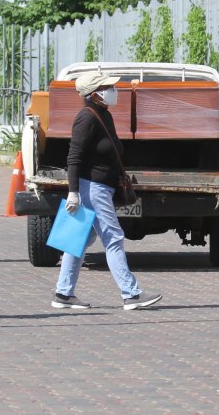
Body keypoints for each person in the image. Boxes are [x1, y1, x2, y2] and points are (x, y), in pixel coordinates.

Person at [53, 69, 162, 312]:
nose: (114, 91)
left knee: (80, 240)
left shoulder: (102, 114)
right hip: (92, 187)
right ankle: (131, 294)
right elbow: (74, 157)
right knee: (113, 237)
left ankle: (63, 293)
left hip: (99, 186)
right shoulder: (86, 117)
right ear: (95, 94)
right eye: (108, 88)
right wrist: (73, 192)